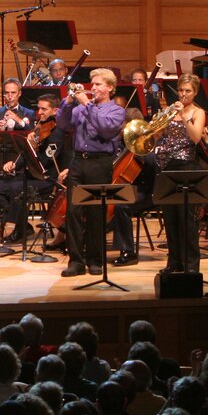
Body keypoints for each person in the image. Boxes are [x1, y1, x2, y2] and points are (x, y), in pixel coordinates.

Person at [56, 68, 125, 278]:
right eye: (92, 84)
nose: (93, 87)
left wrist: (86, 104)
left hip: (100, 163)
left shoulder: (116, 111)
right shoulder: (79, 108)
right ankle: (76, 261)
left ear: (110, 88)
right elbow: (63, 123)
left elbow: (105, 129)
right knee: (73, 213)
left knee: (96, 213)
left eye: (98, 84)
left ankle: (95, 260)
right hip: (78, 162)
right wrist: (68, 103)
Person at [0, 93, 66, 244]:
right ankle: (23, 224)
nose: (39, 112)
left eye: (44, 109)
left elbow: (46, 162)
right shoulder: (39, 127)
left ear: (55, 111)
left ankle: (19, 229)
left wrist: (33, 148)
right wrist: (15, 164)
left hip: (47, 179)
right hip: (31, 176)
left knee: (18, 189)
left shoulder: (58, 134)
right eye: (38, 109)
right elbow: (25, 154)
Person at [154, 74, 207, 276]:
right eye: (181, 90)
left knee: (187, 219)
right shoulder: (169, 111)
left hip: (186, 167)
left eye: (188, 91)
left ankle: (191, 263)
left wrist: (184, 117)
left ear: (195, 93)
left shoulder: (198, 112)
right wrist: (157, 126)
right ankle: (174, 261)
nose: (184, 95)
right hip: (166, 166)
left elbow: (195, 138)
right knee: (170, 217)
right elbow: (158, 136)